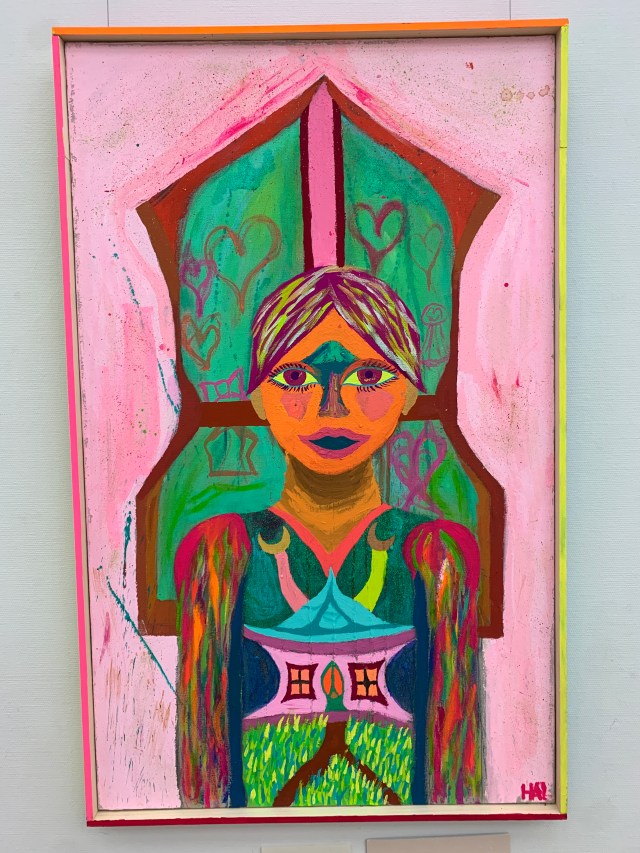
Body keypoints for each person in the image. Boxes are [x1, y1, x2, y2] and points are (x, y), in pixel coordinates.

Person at [174, 266, 481, 809]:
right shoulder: (224, 549)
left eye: (369, 376)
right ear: (257, 397)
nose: (332, 408)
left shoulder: (434, 553)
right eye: (296, 378)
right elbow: (205, 761)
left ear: (409, 394)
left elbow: (455, 766)